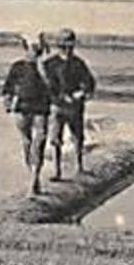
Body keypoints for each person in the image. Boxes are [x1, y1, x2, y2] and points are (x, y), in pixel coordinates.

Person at [1, 34, 53, 195]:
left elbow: (54, 87)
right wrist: (8, 102)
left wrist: (42, 69)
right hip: (22, 106)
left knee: (41, 139)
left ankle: (35, 178)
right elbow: (8, 88)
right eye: (32, 48)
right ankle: (31, 173)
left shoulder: (47, 67)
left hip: (41, 106)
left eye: (38, 49)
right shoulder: (18, 66)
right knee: (26, 141)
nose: (34, 52)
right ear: (26, 48)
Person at [42, 27, 95, 180]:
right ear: (60, 45)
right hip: (57, 107)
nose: (68, 48)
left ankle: (79, 167)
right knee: (56, 139)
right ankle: (57, 171)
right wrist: (60, 97)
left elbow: (89, 82)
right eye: (65, 44)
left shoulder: (79, 63)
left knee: (78, 137)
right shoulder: (50, 64)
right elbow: (48, 86)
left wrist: (82, 93)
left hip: (75, 107)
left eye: (71, 45)